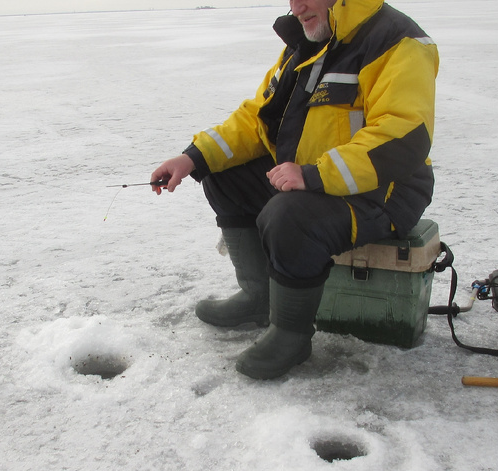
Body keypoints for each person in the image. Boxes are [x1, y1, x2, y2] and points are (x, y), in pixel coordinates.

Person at [151, 0, 438, 379]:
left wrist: (314, 176)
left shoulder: (397, 40)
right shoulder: (307, 43)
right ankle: (259, 297)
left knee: (287, 214)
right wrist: (193, 158)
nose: (297, 6)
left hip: (383, 189)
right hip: (311, 175)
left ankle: (292, 334)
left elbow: (403, 135)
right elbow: (257, 119)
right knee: (223, 176)